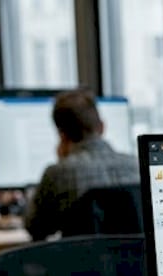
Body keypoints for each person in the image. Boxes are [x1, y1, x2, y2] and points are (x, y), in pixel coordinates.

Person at [23, 89, 139, 240]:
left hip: (81, 261)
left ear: (62, 135)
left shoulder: (58, 172)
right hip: (133, 260)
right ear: (102, 127)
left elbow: (35, 228)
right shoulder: (135, 164)